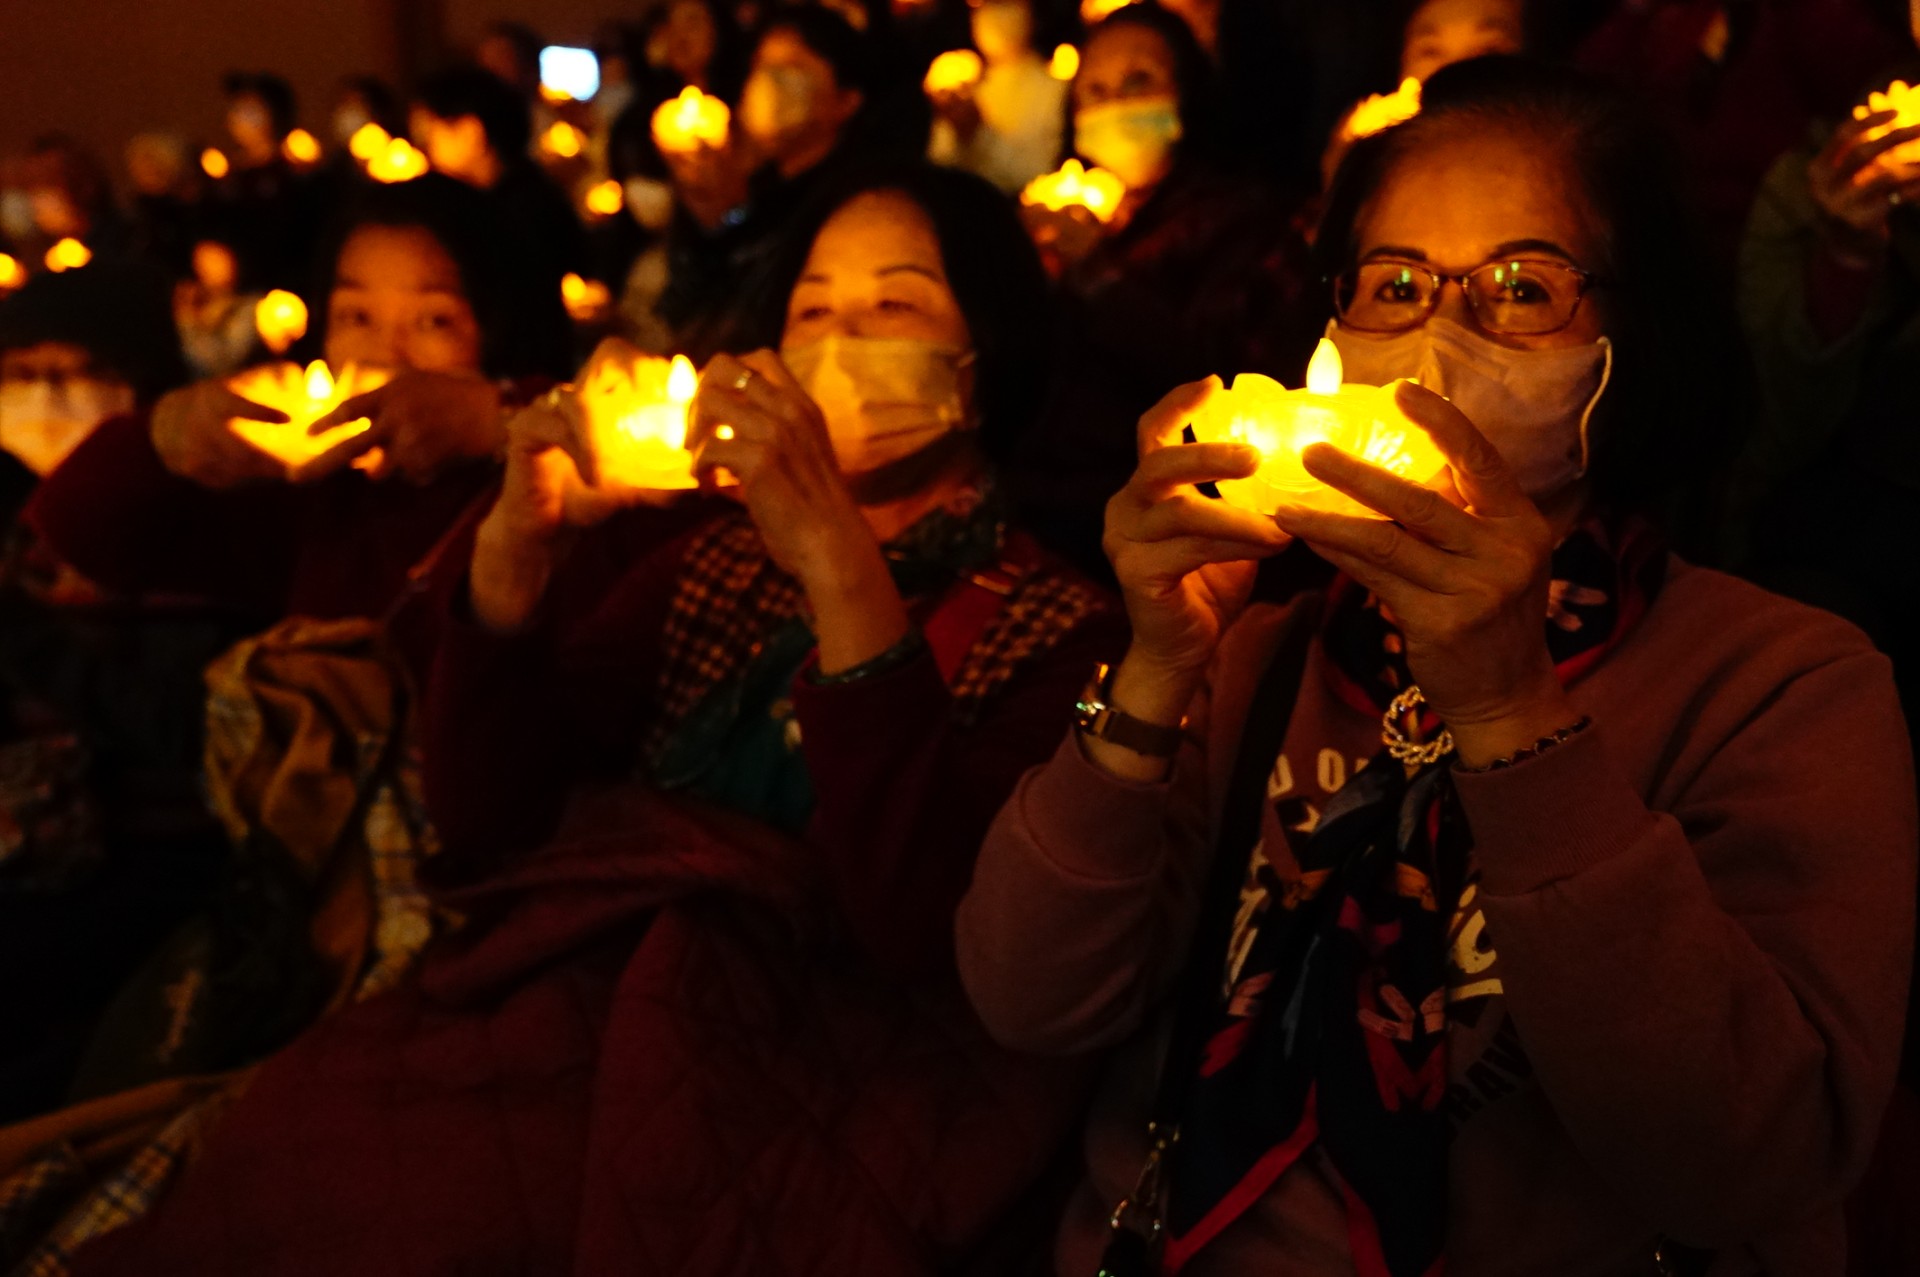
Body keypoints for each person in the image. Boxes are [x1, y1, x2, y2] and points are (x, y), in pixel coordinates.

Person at [53, 161, 1125, 1277]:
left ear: (984, 355)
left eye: (893, 303)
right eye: (812, 307)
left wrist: (841, 570)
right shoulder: (707, 562)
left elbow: (917, 935)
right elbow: (489, 819)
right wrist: (510, 567)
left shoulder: (1061, 631)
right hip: (565, 1019)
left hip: (806, 1071)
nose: (840, 337)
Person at [959, 57, 1914, 1275]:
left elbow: (1746, 1155)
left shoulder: (1780, 683)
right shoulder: (1264, 655)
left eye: (1522, 287)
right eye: (1395, 283)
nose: (1438, 335)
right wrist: (1154, 672)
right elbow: (1028, 1000)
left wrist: (1511, 708)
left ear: (1635, 332)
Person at [1012, 0, 1315, 581]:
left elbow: (1220, 381)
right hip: (1036, 497)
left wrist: (1097, 274)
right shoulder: (1058, 215)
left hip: (1159, 514)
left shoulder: (1241, 224)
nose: (1116, 105)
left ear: (1187, 93)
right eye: (1095, 92)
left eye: (1139, 82)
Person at [416, 65, 590, 303]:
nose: (427, 149)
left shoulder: (520, 210)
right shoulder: (513, 194)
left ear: (471, 131)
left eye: (431, 134)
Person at [926, 0, 1068, 194]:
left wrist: (979, 132)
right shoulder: (964, 84)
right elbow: (940, 165)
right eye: (986, 6)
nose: (994, 17)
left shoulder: (1054, 91)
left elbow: (1036, 174)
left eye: (1006, 5)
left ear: (1032, 16)